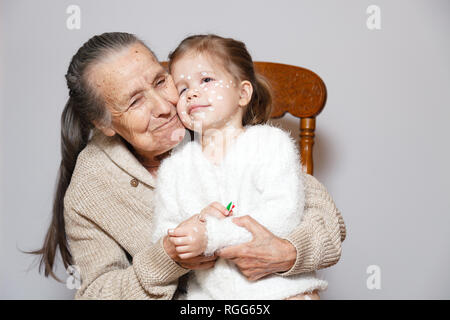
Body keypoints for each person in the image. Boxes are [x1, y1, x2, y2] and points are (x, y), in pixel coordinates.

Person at [29, 32, 346, 300]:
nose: (164, 107)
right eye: (136, 101)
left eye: (160, 80)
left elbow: (329, 226)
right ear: (104, 122)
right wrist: (167, 257)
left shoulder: (207, 114)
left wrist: (286, 253)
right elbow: (97, 294)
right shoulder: (90, 190)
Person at [151, 34, 328, 300]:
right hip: (209, 295)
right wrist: (195, 225)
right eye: (183, 88)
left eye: (206, 80)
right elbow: (164, 237)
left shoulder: (270, 144)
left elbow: (284, 214)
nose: (193, 93)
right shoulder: (175, 168)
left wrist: (212, 234)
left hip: (278, 290)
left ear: (243, 93)